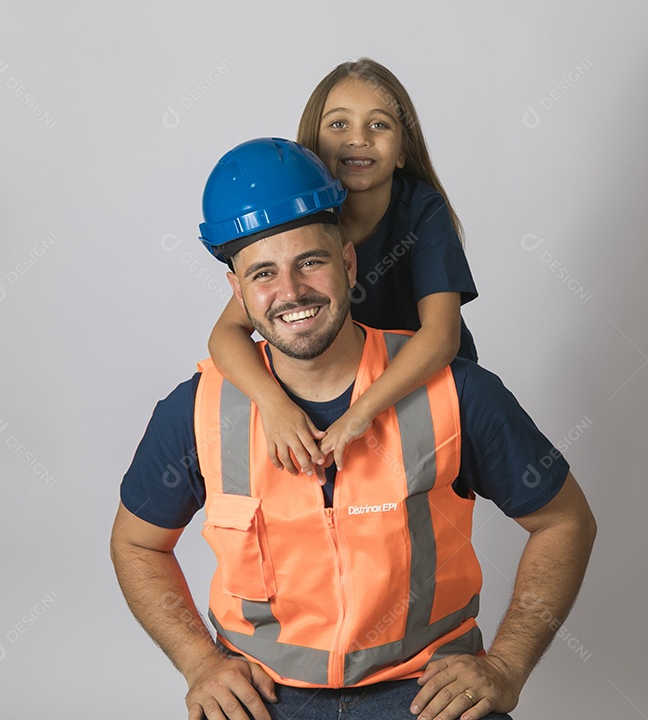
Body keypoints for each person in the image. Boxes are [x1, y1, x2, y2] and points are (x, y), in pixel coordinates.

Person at [111, 138, 596, 720]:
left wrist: (506, 665)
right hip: (262, 698)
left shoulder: (457, 393)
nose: (290, 292)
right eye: (264, 273)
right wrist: (200, 663)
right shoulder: (196, 411)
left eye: (310, 262)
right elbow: (136, 543)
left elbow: (564, 521)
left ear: (347, 262)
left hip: (427, 694)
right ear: (237, 292)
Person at [208, 58, 478, 480]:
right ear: (311, 150)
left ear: (404, 149)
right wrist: (273, 404)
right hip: (338, 394)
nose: (358, 139)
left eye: (379, 125)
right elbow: (225, 335)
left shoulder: (422, 210)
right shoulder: (299, 219)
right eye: (338, 125)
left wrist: (363, 410)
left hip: (421, 389)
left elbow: (442, 337)